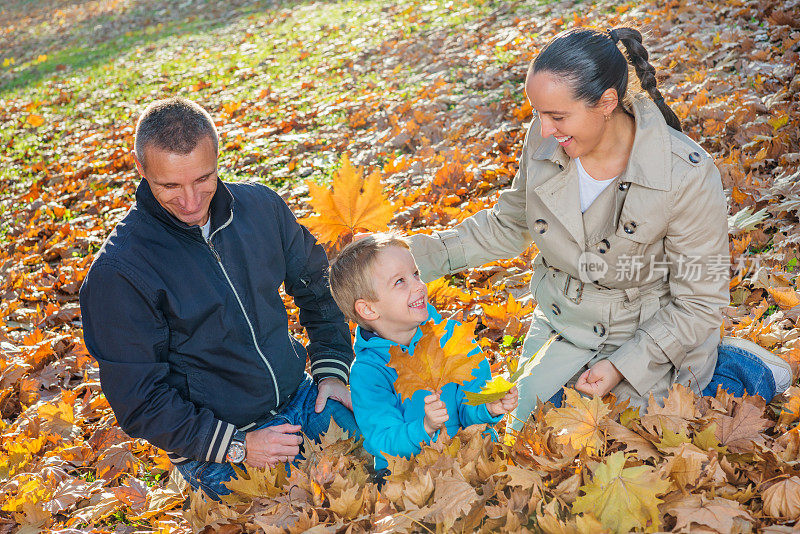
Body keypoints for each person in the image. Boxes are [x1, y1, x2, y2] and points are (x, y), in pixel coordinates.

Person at [406, 27, 792, 431]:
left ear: (607, 102)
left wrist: (622, 366)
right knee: (531, 433)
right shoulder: (543, 142)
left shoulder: (684, 174)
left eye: (557, 116)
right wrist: (403, 258)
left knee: (640, 439)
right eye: (537, 113)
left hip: (646, 335)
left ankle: (741, 367)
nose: (543, 130)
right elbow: (507, 225)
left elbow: (700, 299)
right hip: (563, 324)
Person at [79, 97, 359, 499]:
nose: (191, 202)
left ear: (217, 156)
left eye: (203, 179)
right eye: (170, 185)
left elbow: (318, 285)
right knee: (297, 515)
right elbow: (140, 400)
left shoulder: (261, 207)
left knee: (393, 461)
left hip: (302, 399)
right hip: (216, 447)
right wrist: (238, 446)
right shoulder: (120, 272)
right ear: (140, 169)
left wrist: (332, 367)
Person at [328, 234, 519, 478]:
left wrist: (488, 408)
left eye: (416, 274)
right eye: (400, 282)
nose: (419, 285)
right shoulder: (369, 372)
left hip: (473, 458)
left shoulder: (450, 337)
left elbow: (469, 403)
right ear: (368, 309)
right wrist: (424, 428)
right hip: (413, 475)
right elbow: (382, 440)